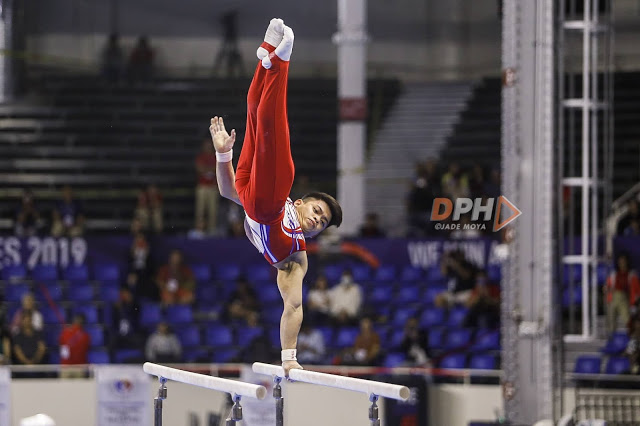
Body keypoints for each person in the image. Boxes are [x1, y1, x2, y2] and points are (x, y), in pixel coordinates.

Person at [210, 18, 342, 375]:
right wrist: (225, 155)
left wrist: (288, 356)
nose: (317, 220)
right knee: (257, 114)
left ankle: (279, 60)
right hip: (259, 192)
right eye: (318, 211)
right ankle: (268, 56)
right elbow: (228, 191)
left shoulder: (296, 259)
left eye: (322, 223)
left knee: (267, 124)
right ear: (300, 203)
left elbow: (293, 307)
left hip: (261, 205)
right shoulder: (288, 203)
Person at [604, 253, 640, 333]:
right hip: (613, 297)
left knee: (628, 319)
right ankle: (611, 334)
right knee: (611, 317)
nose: (622, 264)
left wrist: (635, 302)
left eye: (623, 262)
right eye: (620, 262)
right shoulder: (614, 274)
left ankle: (633, 333)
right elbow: (607, 287)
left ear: (627, 262)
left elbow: (637, 291)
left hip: (625, 298)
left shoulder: (632, 275)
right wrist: (607, 289)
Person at [195, 139, 219, 234]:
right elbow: (199, 168)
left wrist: (206, 169)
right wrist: (211, 169)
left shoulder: (215, 157)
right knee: (200, 210)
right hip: (202, 187)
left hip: (212, 187)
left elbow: (218, 169)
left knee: (212, 211)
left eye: (209, 146)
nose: (208, 147)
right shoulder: (201, 157)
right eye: (206, 146)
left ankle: (211, 230)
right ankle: (199, 230)